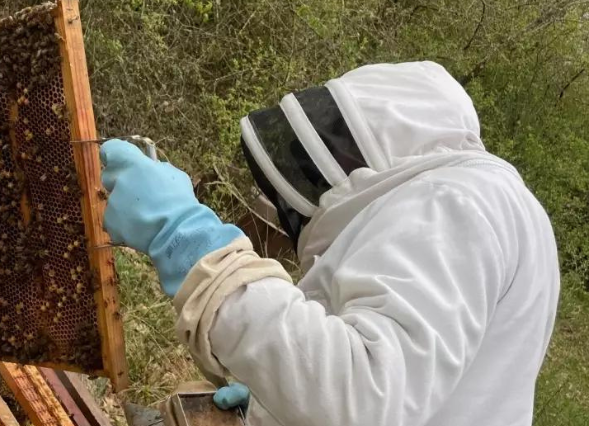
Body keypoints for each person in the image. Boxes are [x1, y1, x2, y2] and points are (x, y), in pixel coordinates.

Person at [99, 61, 560, 426]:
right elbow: (416, 382)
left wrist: (188, 239)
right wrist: (276, 401)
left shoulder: (456, 201)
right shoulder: (486, 202)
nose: (313, 185)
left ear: (383, 137)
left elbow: (360, 399)